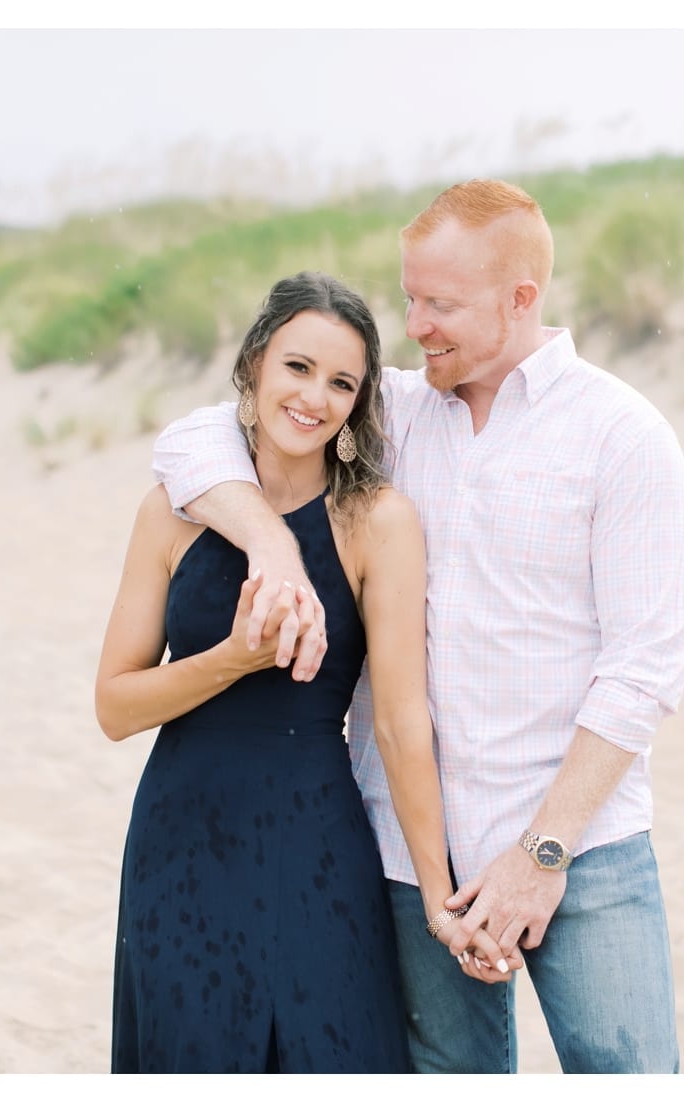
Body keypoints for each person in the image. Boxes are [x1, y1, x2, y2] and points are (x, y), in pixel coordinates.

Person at [151, 180, 684, 1074]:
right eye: (410, 297)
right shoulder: (392, 412)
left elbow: (644, 673)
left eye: (439, 304)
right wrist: (271, 548)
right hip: (413, 858)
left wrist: (541, 854)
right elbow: (190, 439)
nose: (415, 325)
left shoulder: (623, 437)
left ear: (521, 299)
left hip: (582, 850)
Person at [95, 271, 490, 1073]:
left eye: (342, 382)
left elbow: (400, 720)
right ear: (253, 366)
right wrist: (233, 660)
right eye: (298, 368)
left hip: (315, 843)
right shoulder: (171, 512)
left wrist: (439, 898)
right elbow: (115, 706)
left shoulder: (376, 521)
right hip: (181, 843)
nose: (315, 398)